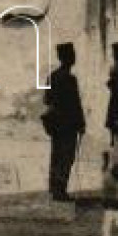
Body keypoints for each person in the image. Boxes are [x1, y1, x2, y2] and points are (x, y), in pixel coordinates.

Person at [42, 43, 86, 202]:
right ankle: (60, 190)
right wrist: (81, 123)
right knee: (67, 157)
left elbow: (47, 100)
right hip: (69, 123)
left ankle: (55, 188)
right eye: (72, 54)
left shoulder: (52, 76)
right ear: (68, 58)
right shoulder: (70, 79)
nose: (74, 57)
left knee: (56, 154)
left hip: (56, 122)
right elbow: (76, 104)